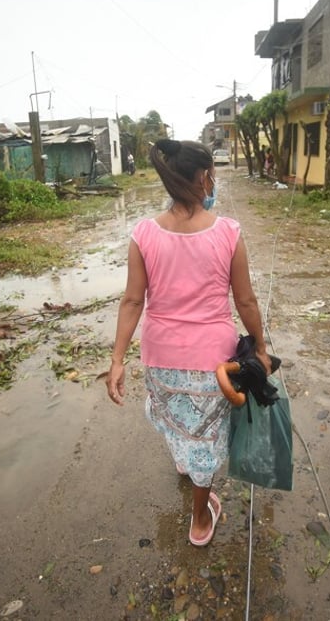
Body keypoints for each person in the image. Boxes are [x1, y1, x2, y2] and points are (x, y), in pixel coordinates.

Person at [106, 138, 272, 547]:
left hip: (160, 359)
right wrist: (261, 347)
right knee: (206, 439)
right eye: (211, 175)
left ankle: (186, 460)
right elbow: (246, 299)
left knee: (178, 416)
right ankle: (200, 520)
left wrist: (117, 360)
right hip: (213, 366)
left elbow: (132, 300)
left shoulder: (142, 234)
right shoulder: (228, 232)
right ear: (202, 178)